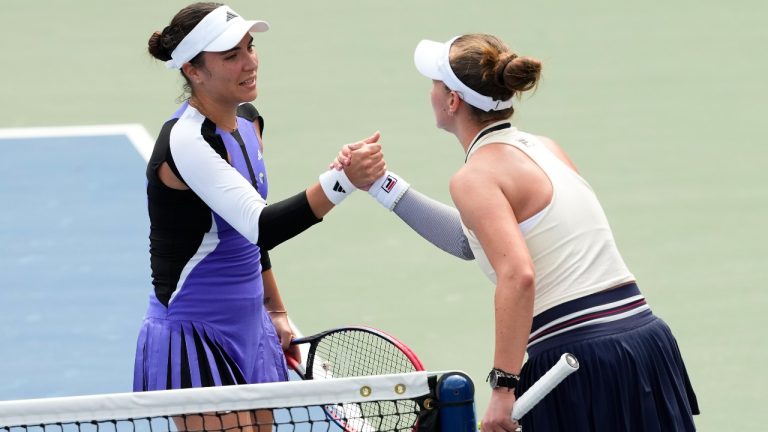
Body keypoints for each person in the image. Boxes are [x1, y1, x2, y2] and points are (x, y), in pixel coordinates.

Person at [338, 33, 699, 431]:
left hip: (581, 358)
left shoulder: (474, 176)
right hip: (644, 342)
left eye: (435, 85)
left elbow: (517, 274)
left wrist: (503, 386)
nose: (431, 93)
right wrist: (379, 184)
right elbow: (471, 242)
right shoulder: (546, 148)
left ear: (453, 101)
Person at [135, 0, 384, 403]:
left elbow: (246, 233)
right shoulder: (187, 142)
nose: (250, 62)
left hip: (250, 323)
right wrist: (341, 182)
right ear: (192, 71)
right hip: (196, 332)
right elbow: (262, 224)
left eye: (250, 47)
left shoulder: (248, 119)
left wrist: (276, 309)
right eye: (232, 55)